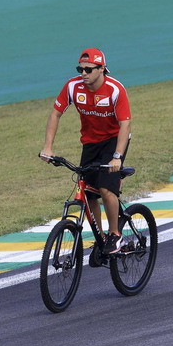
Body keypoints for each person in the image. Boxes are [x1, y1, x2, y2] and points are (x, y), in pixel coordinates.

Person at [39, 47, 131, 257]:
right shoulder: (73, 87)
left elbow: (125, 125)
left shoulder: (115, 89)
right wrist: (48, 147)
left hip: (114, 141)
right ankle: (100, 238)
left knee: (106, 189)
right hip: (90, 143)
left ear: (101, 69)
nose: (83, 73)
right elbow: (55, 114)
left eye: (89, 70)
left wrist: (117, 157)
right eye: (81, 69)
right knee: (89, 193)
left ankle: (115, 233)